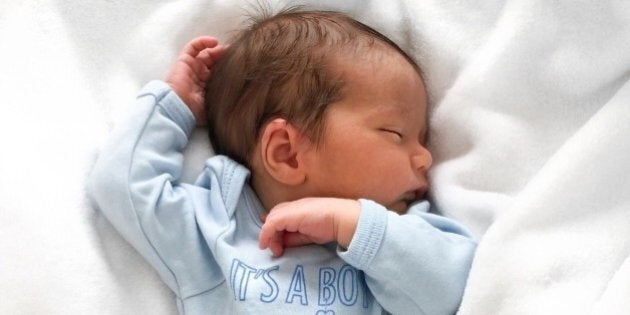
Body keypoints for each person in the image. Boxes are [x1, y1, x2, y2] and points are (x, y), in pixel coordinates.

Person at [88, 8, 476, 315]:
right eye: (395, 133)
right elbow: (120, 183)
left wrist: (357, 226)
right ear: (287, 152)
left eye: (423, 138)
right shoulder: (215, 231)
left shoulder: (400, 232)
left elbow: (452, 289)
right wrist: (174, 107)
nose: (425, 157)